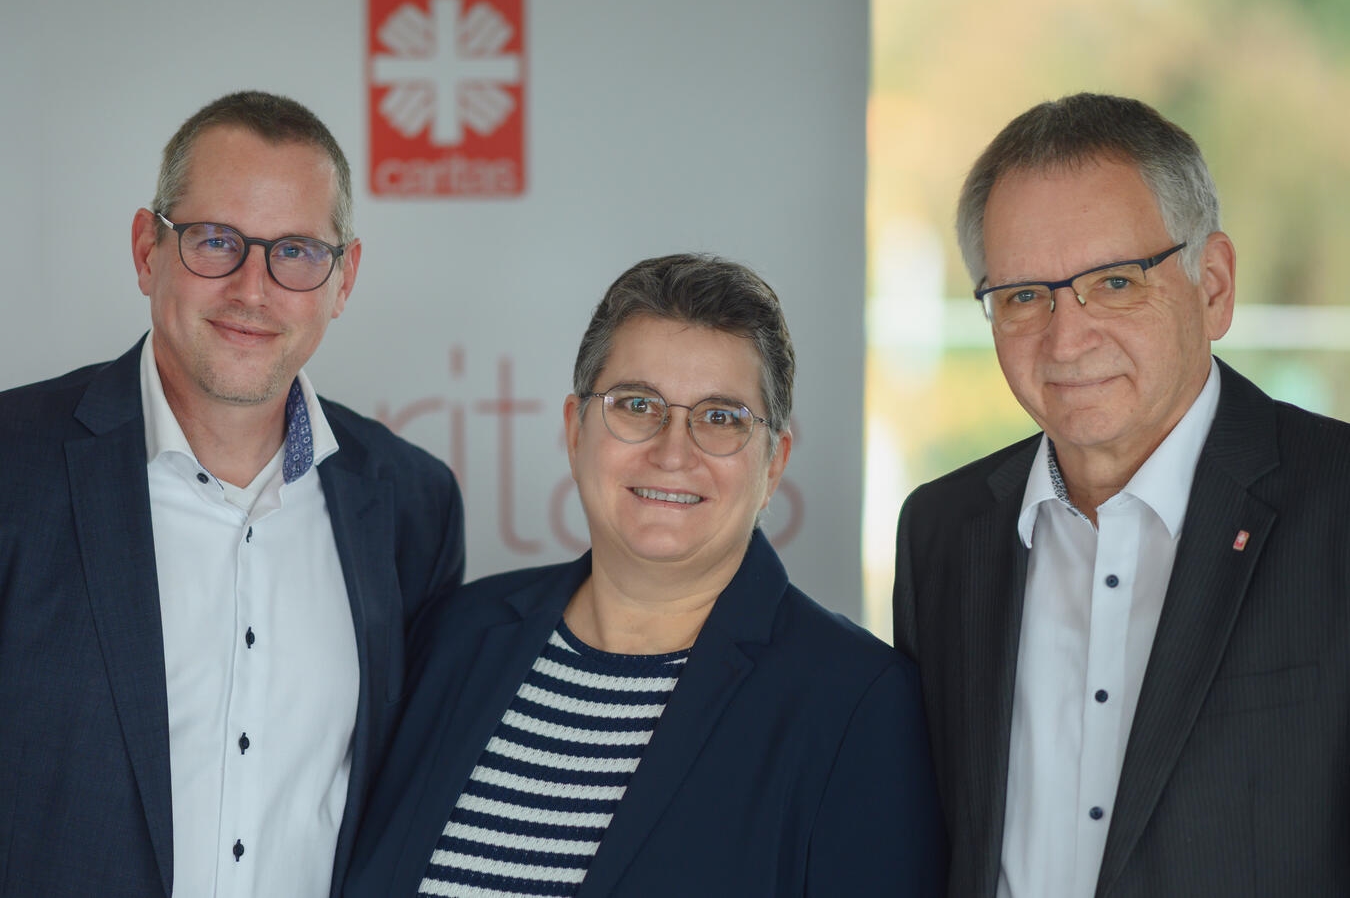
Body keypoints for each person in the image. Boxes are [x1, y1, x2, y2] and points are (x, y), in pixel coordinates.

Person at [345, 253, 946, 896]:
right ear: (577, 431)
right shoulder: (457, 637)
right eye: (637, 404)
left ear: (773, 463)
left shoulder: (855, 701)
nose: (672, 451)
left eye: (720, 417)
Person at [0, 91, 465, 898]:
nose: (254, 289)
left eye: (296, 251)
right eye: (216, 241)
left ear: (343, 278)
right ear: (148, 249)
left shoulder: (412, 506)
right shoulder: (13, 464)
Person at [894, 92, 1350, 897]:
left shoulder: (1337, 501)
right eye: (1024, 296)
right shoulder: (941, 530)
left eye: (1114, 281)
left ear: (1212, 285)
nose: (1067, 339)